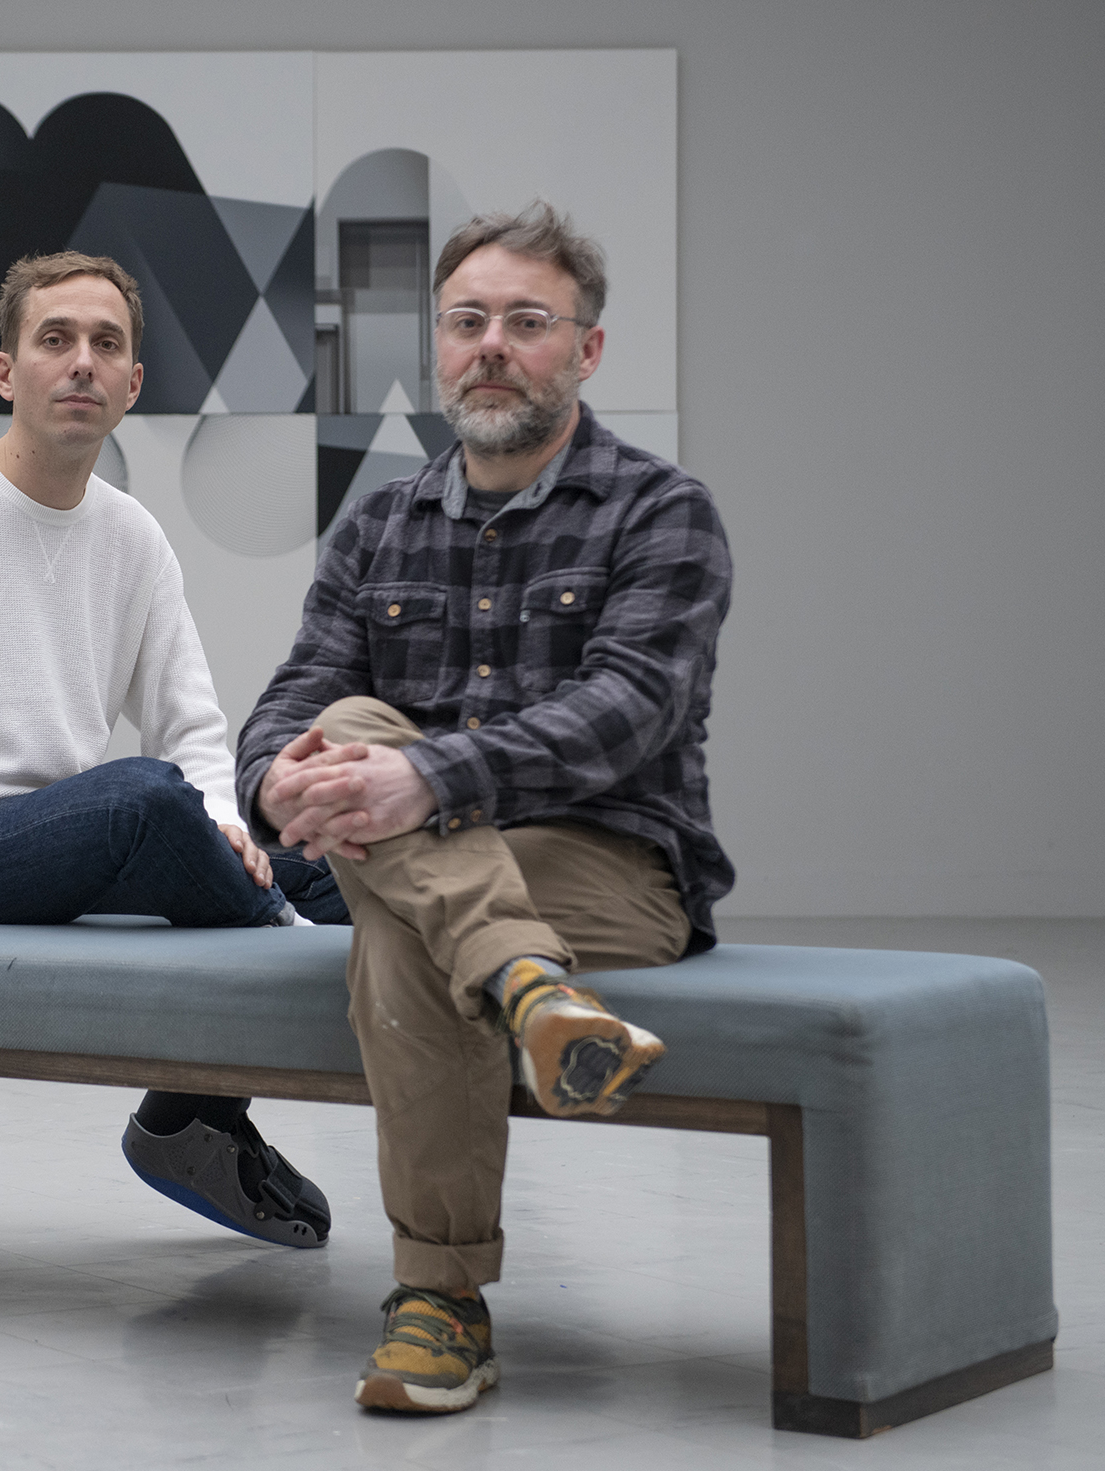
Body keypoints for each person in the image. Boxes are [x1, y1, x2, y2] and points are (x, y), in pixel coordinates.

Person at [237, 202, 734, 1412]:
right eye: (466, 322)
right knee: (353, 736)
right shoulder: (380, 521)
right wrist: (271, 781)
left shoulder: (659, 509)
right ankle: (527, 989)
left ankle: (439, 1300)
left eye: (526, 321)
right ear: (438, 349)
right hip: (453, 875)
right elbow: (298, 692)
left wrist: (428, 780)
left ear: (586, 349)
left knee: (401, 907)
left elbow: (628, 709)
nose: (491, 346)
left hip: (614, 866)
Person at [0, 251, 339, 1248]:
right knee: (145, 799)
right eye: (55, 339)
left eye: (106, 344)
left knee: (330, 859)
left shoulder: (132, 536)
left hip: (66, 842)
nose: (82, 361)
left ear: (132, 383)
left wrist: (227, 823)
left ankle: (193, 1115)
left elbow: (191, 726)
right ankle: (284, 947)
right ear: (7, 372)